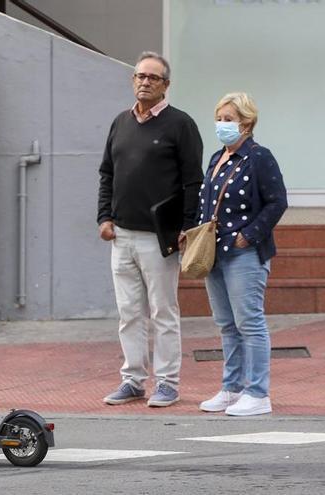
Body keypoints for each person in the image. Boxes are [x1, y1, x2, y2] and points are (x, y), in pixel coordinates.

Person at [98, 52, 204, 407]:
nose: (144, 82)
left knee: (163, 312)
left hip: (160, 239)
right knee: (129, 313)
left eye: (153, 78)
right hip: (121, 236)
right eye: (140, 76)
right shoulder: (119, 122)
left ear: (166, 85)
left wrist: (187, 227)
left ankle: (168, 383)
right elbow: (107, 174)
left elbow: (193, 181)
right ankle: (132, 380)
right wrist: (104, 217)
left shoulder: (180, 125)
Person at [196, 92, 287, 416]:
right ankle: (231, 388)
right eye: (219, 118)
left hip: (243, 254)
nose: (222, 125)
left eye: (229, 119)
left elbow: (277, 202)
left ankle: (258, 393)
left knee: (250, 322)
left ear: (246, 123)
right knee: (226, 324)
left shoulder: (259, 157)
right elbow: (206, 202)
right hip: (215, 254)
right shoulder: (217, 157)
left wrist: (248, 236)